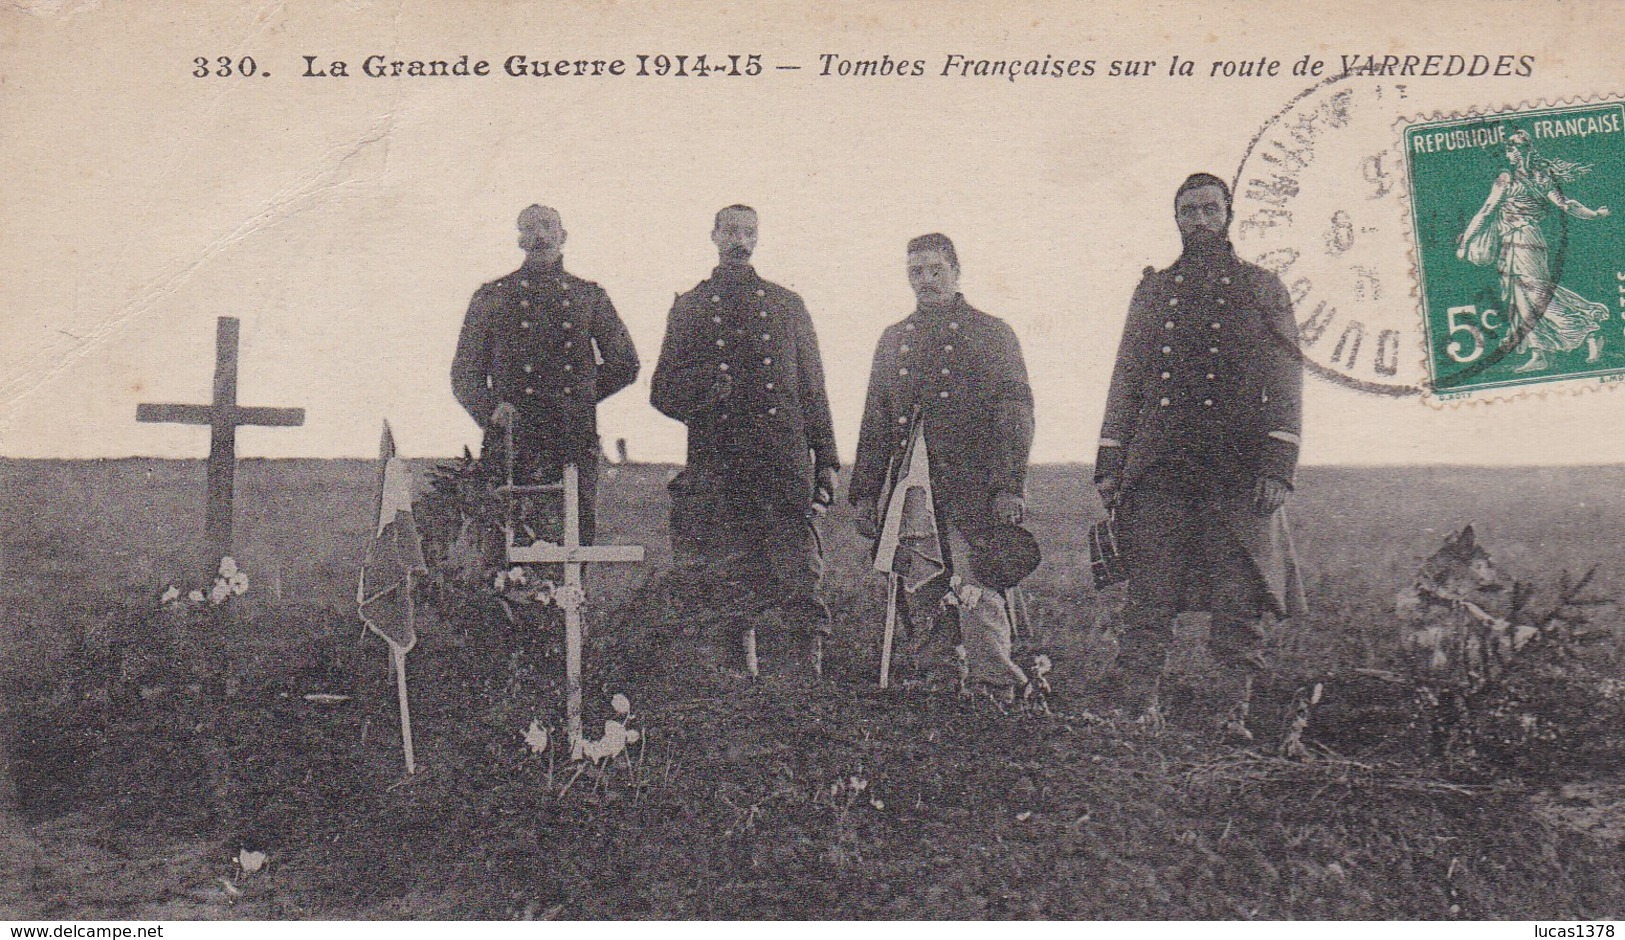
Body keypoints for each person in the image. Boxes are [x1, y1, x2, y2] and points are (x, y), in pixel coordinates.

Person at [1095, 173, 1307, 739]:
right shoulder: (1154, 290)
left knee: (1238, 596)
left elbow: (1287, 381)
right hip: (1161, 467)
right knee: (1149, 592)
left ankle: (1229, 715)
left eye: (1209, 209)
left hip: (1235, 470)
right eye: (1188, 211)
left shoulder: (1263, 287)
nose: (1199, 220)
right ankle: (1137, 708)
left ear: (1228, 215)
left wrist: (1277, 465)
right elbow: (1127, 377)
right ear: (1176, 219)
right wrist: (1111, 461)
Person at [650, 205, 839, 674]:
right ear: (713, 235)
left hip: (782, 458)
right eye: (731, 230)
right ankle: (739, 680)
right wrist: (702, 387)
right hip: (720, 459)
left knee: (800, 569)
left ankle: (806, 679)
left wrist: (828, 458)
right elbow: (661, 391)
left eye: (748, 232)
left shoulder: (785, 303)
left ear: (757, 240)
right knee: (729, 571)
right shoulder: (691, 305)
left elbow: (812, 386)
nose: (739, 239)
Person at [850, 233, 1034, 699]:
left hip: (976, 486)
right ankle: (940, 681)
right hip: (914, 488)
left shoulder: (992, 333)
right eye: (916, 272)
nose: (926, 280)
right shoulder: (894, 340)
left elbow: (1015, 413)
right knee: (920, 585)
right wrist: (866, 493)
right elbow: (875, 420)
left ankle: (995, 688)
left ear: (956, 271)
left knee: (979, 586)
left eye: (936, 270)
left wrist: (1009, 485)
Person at [451, 204, 640, 545]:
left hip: (570, 435)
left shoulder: (589, 296)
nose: (539, 236)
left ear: (562, 236)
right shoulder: (492, 297)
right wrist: (492, 409)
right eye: (529, 229)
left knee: (572, 538)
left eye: (547, 227)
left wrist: (577, 397)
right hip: (512, 437)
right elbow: (464, 375)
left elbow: (625, 364)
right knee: (506, 542)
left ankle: (572, 601)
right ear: (519, 239)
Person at [1457, 128, 1612, 373]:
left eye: (1511, 149)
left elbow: (1487, 210)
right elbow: (1566, 205)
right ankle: (1541, 352)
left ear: (1518, 152)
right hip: (1529, 240)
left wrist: (1466, 241)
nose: (1508, 154)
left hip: (1521, 240)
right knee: (1524, 298)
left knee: (1537, 295)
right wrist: (1594, 214)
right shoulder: (1542, 176)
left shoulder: (1507, 178)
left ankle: (1588, 332)